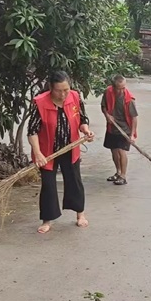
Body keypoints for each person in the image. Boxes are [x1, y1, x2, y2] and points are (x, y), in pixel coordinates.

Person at [26, 70, 96, 234]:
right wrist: (38, 153)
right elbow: (32, 131)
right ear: (51, 88)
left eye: (66, 90)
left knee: (74, 181)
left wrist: (86, 131)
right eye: (59, 90)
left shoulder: (75, 97)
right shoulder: (40, 103)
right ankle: (47, 220)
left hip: (70, 148)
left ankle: (80, 214)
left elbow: (82, 120)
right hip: (47, 152)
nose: (63, 94)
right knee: (48, 185)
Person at [101, 75, 139, 186]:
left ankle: (123, 176)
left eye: (124, 87)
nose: (122, 90)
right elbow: (103, 106)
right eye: (119, 88)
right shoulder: (108, 92)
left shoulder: (129, 100)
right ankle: (117, 172)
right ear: (113, 87)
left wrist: (132, 135)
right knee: (114, 151)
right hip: (112, 127)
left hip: (125, 129)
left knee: (121, 151)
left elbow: (134, 118)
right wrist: (107, 115)